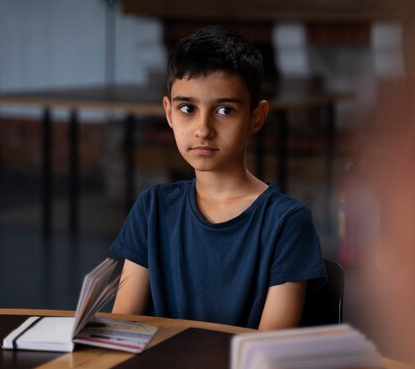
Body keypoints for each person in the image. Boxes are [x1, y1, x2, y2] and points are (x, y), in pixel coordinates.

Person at [110, 25, 325, 329]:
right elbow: (121, 329)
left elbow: (266, 351)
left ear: (256, 117)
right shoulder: (152, 209)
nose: (203, 129)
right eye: (187, 108)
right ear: (169, 113)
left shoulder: (286, 223)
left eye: (224, 110)